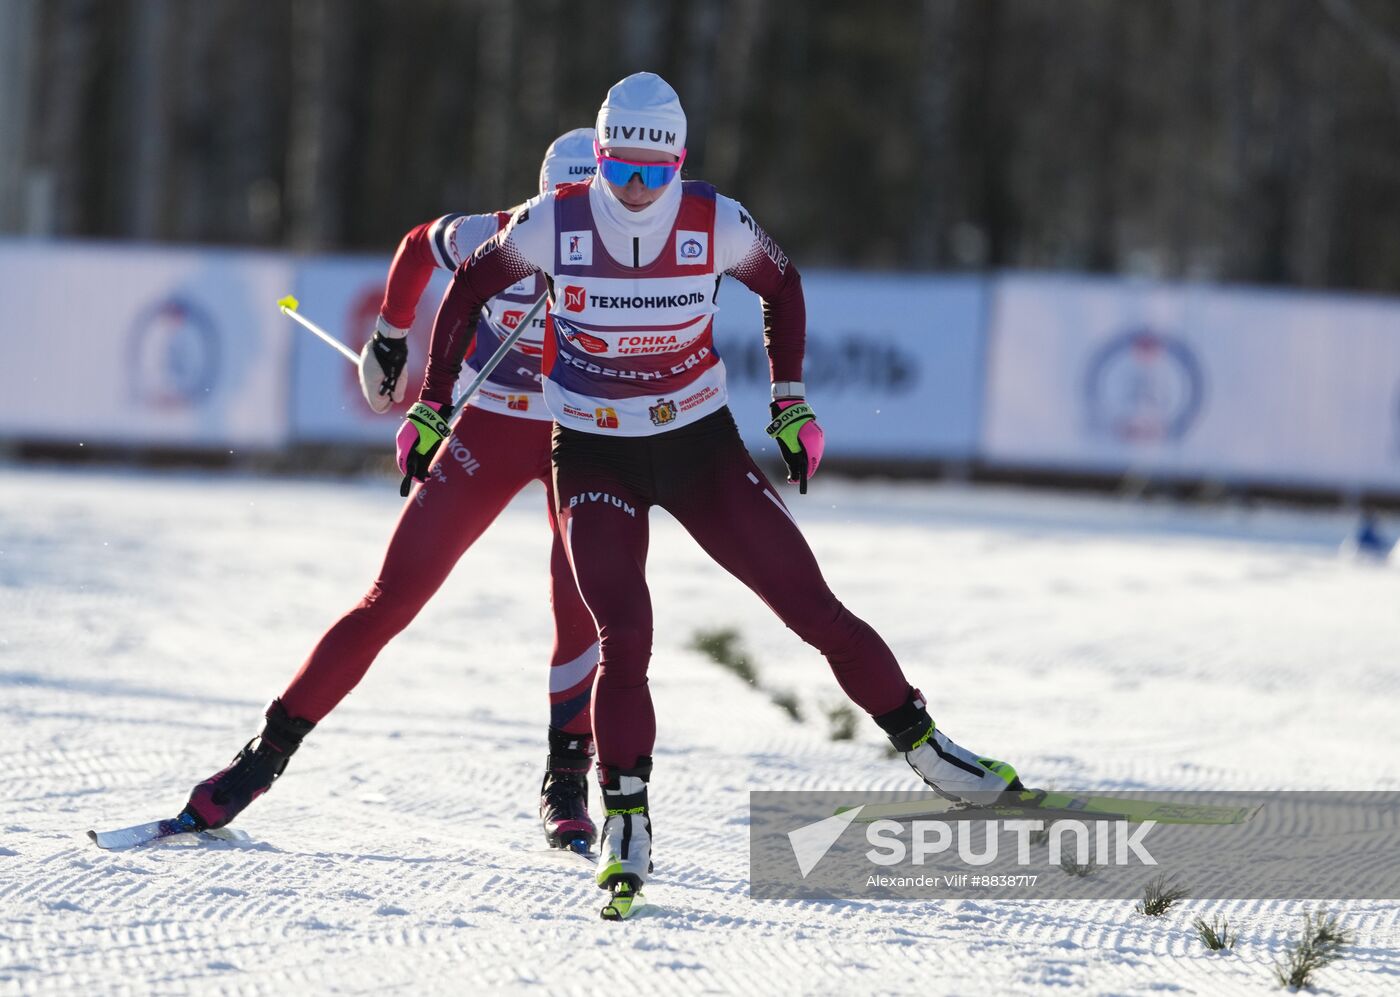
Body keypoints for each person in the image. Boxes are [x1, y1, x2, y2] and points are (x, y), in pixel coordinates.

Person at [399, 73, 1025, 916]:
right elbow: (468, 287)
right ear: (601, 156)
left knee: (811, 606)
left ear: (678, 165)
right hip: (592, 451)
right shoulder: (554, 222)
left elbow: (784, 285)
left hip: (697, 446)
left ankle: (929, 747)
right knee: (626, 631)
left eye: (652, 176)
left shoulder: (715, 220)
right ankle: (626, 820)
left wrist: (791, 401)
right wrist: (434, 405)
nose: (632, 190)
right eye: (618, 169)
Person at [180, 129, 605, 853]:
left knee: (585, 605)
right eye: (559, 211)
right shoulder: (495, 234)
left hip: (586, 436)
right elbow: (417, 245)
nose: (572, 231)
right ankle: (264, 756)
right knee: (394, 594)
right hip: (493, 428)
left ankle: (566, 779)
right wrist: (389, 337)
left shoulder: (641, 258)